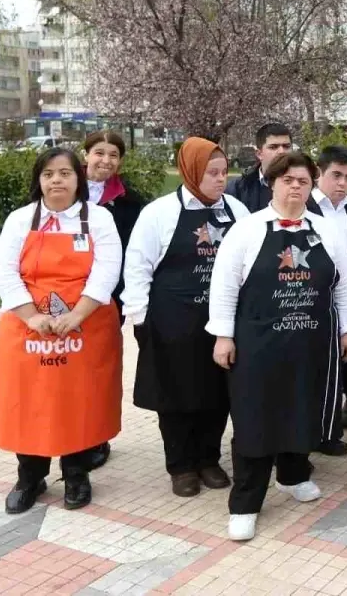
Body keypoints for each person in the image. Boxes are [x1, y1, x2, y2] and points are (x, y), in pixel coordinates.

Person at [207, 151, 347, 542]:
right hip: (258, 343)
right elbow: (224, 285)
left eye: (303, 181)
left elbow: (344, 283)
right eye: (288, 180)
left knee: (302, 407)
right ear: (273, 183)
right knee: (255, 418)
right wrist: (224, 335)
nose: (296, 187)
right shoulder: (247, 229)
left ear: (312, 186)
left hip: (312, 340)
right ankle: (245, 503)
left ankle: (293, 476)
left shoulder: (327, 230)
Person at [0, 148, 123, 514]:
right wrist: (32, 316)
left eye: (64, 173)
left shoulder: (98, 220)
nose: (56, 180)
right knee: (28, 401)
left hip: (85, 325)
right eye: (48, 174)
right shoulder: (20, 220)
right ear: (39, 180)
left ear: (78, 179)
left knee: (79, 400)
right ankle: (29, 476)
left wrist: (77, 315)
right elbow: (4, 270)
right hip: (27, 327)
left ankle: (77, 473)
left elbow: (107, 270)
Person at [121, 138, 249, 497]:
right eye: (212, 173)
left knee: (216, 394)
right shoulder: (158, 213)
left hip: (222, 323)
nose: (221, 180)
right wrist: (140, 320)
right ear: (190, 171)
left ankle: (208, 459)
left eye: (224, 172)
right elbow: (137, 268)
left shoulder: (237, 211)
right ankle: (180, 465)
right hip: (172, 322)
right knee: (175, 396)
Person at [81, 130, 144, 470]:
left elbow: (133, 255)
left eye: (113, 155)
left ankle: (96, 435)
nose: (105, 160)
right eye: (99, 153)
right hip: (62, 297)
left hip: (108, 299)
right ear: (86, 154)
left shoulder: (130, 202)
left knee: (98, 369)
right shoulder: (63, 192)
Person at [306, 145, 347, 454]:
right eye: (336, 176)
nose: (342, 183)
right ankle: (306, 437)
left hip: (341, 301)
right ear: (319, 174)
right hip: (308, 301)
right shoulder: (305, 208)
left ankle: (328, 434)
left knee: (335, 370)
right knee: (312, 373)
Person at [227, 121, 294, 213]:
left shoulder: (301, 185)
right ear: (259, 154)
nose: (281, 151)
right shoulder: (238, 188)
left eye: (286, 146)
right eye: (273, 147)